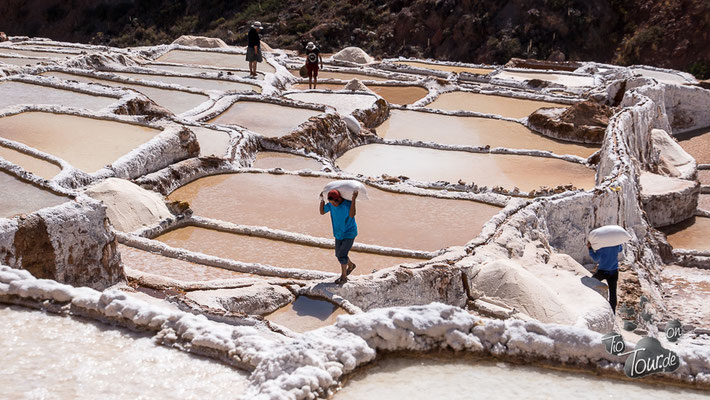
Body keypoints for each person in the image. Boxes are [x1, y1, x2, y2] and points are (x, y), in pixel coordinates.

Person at [320, 189, 358, 284]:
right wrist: (321, 200)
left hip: (349, 233)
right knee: (338, 254)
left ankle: (343, 277)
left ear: (339, 199)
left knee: (342, 255)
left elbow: (352, 214)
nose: (334, 204)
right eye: (331, 202)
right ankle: (351, 265)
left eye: (335, 202)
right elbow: (322, 212)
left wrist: (354, 200)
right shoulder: (331, 205)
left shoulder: (347, 204)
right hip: (338, 233)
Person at [588, 242, 623, 313]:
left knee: (590, 283)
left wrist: (590, 248)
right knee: (613, 292)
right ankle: (613, 312)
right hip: (614, 271)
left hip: (602, 271)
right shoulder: (616, 245)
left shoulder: (601, 247)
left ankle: (591, 303)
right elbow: (620, 249)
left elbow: (595, 258)